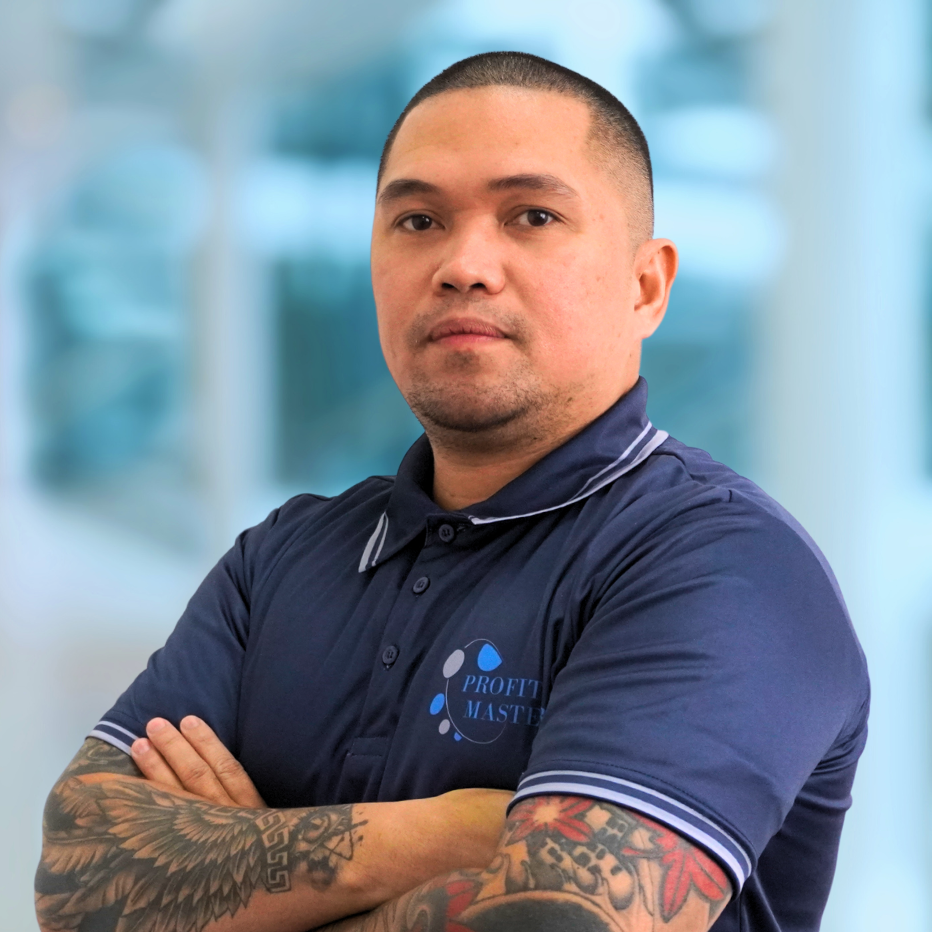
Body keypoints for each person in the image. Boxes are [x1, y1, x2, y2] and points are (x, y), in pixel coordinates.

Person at [35, 52, 868, 932]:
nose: (464, 265)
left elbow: (555, 923)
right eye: (420, 220)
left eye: (533, 216)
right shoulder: (281, 557)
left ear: (646, 284)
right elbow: (78, 886)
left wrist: (247, 880)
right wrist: (448, 833)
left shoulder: (722, 568)